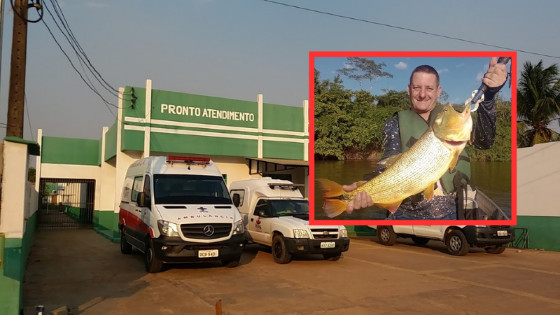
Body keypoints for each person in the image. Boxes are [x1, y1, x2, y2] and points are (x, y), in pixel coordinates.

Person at [343, 57, 508, 220]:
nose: (422, 94)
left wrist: (490, 95)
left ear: (438, 91)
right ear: (409, 89)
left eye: (429, 88)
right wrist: (363, 186)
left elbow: (485, 142)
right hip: (406, 215)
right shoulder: (395, 123)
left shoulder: (453, 120)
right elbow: (388, 164)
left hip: (453, 212)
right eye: (416, 88)